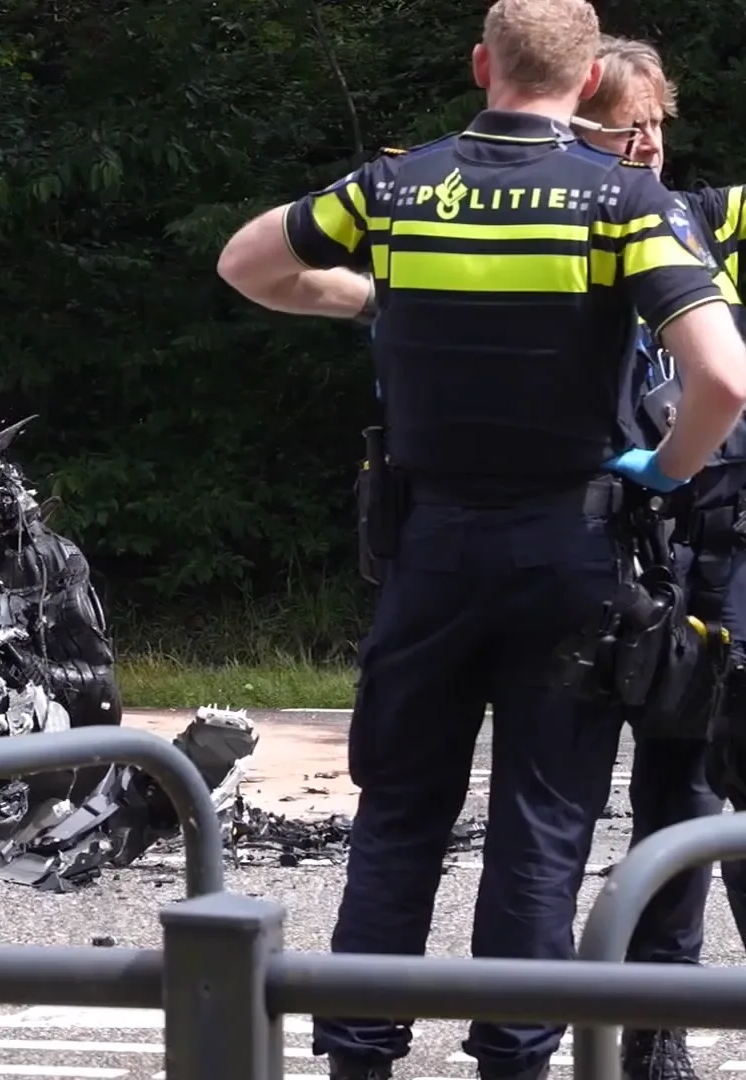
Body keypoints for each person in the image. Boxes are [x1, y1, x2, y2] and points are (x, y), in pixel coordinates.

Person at [214, 1, 746, 1078]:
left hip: (430, 548)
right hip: (572, 550)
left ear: (478, 64)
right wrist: (670, 469)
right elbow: (723, 378)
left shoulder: (398, 188)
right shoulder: (624, 200)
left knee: (399, 813)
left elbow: (246, 265)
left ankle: (359, 1054)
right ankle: (515, 1056)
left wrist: (376, 302)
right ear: (589, 73)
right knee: (542, 827)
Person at [574, 35, 746, 1080]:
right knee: (649, 793)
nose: (644, 142)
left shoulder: (708, 219)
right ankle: (649, 1027)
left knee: (712, 778)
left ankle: (662, 1031)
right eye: (621, 124)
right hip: (614, 544)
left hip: (722, 535)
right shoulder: (560, 228)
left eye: (656, 123)